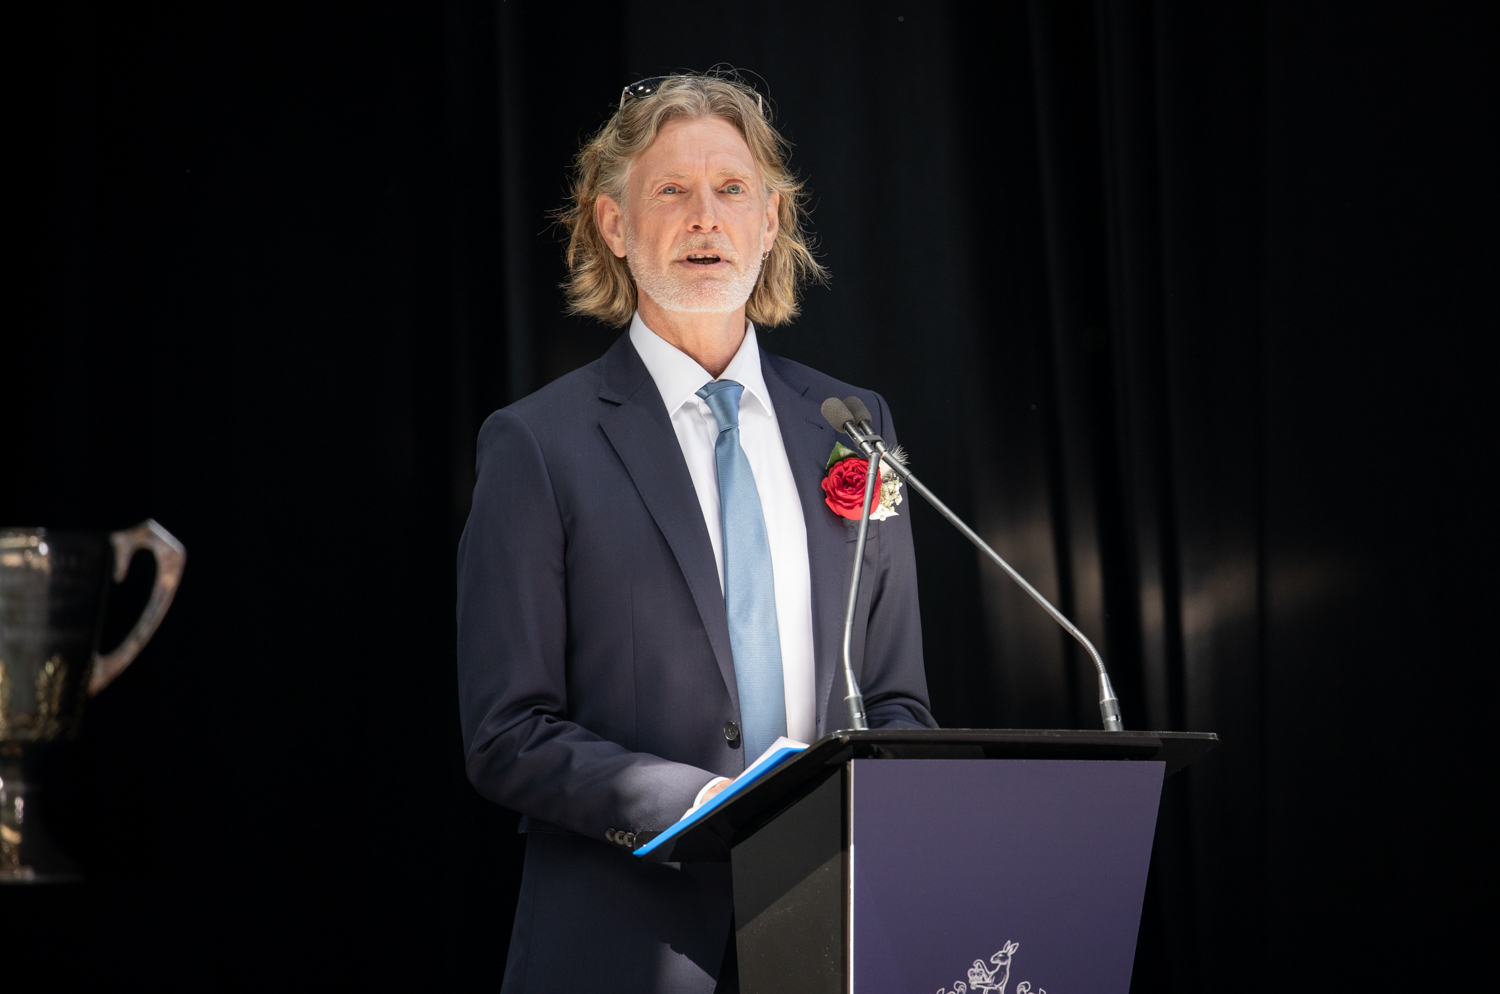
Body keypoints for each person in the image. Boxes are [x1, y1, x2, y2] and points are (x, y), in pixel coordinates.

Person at [457, 73, 935, 994]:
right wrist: (709, 807)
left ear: (771, 220)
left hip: (836, 940)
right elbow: (506, 730)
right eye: (671, 191)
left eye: (732, 191)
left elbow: (897, 701)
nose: (704, 219)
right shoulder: (537, 445)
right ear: (613, 225)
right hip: (623, 951)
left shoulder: (852, 424)